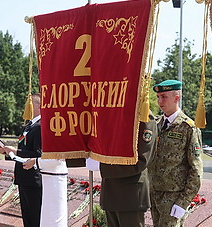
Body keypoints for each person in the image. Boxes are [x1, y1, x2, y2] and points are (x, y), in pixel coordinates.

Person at [86, 111, 158, 227]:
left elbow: (141, 161)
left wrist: (103, 165)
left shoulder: (143, 114)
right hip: (110, 190)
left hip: (130, 195)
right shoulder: (113, 111)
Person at [148, 79, 203, 227]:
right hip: (155, 194)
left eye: (164, 96)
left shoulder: (188, 127)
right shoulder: (156, 125)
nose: (160, 101)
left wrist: (183, 202)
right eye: (158, 97)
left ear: (176, 97)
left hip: (174, 197)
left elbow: (196, 170)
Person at [0, 93, 42, 227]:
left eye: (30, 104)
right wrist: (7, 152)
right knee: (27, 218)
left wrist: (16, 151)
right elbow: (23, 149)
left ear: (39, 106)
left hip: (33, 178)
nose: (26, 108)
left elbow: (38, 153)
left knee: (35, 218)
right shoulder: (29, 126)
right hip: (24, 177)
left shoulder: (40, 126)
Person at [23, 158, 68, 227]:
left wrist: (35, 161)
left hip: (56, 178)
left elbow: (57, 159)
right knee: (47, 214)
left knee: (55, 214)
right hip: (49, 177)